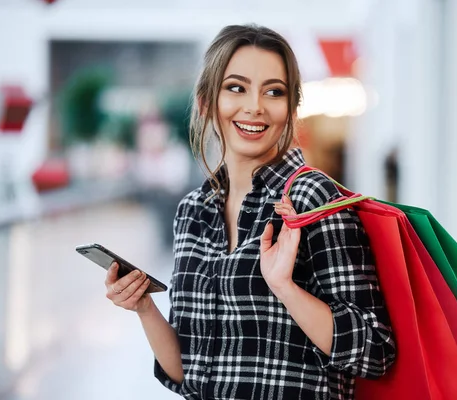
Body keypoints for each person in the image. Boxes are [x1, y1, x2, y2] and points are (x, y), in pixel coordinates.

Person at [104, 24, 395, 400]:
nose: (255, 106)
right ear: (207, 102)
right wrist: (144, 307)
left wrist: (285, 288)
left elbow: (376, 350)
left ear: (290, 107)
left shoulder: (311, 199)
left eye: (273, 91)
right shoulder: (193, 211)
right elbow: (187, 374)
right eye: (236, 88)